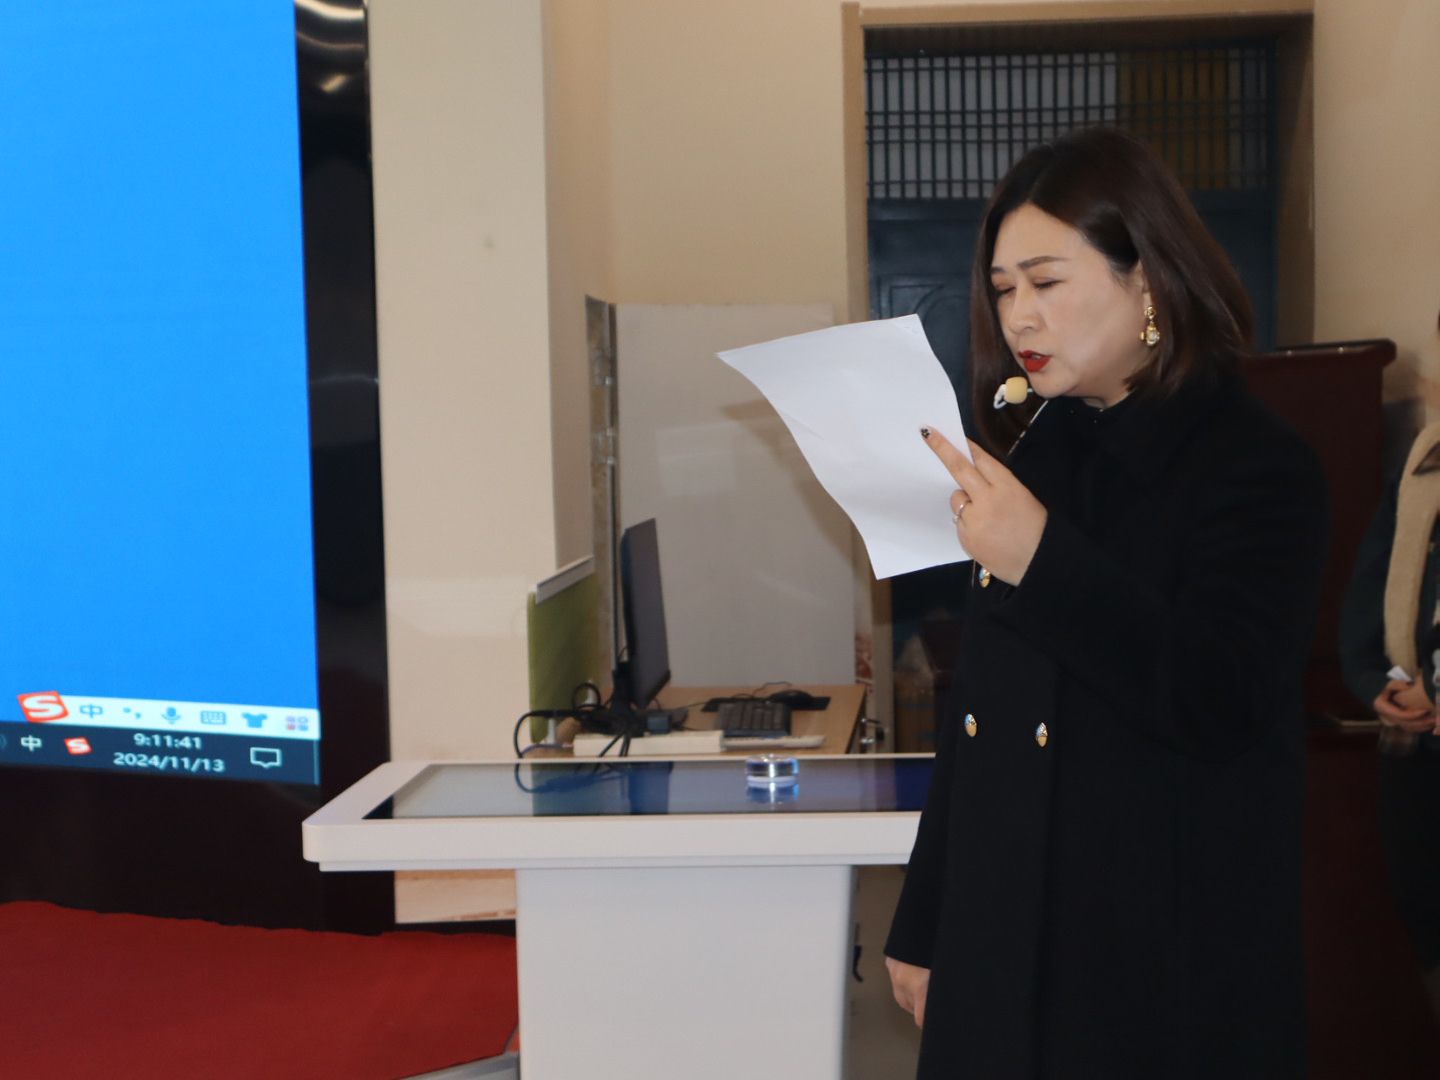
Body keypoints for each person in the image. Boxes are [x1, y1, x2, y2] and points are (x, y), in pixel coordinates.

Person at [883, 128, 1329, 1079]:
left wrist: (1040, 562)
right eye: (1003, 289)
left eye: (1046, 282)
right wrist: (923, 922)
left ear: (1150, 283)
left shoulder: (1257, 465)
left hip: (1157, 957)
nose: (1019, 316)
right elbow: (979, 723)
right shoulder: (1042, 449)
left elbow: (1217, 700)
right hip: (1004, 937)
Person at [1338, 422, 1440, 1018]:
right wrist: (1373, 680)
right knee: (1422, 915)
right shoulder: (1423, 453)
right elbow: (1373, 580)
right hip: (1416, 745)